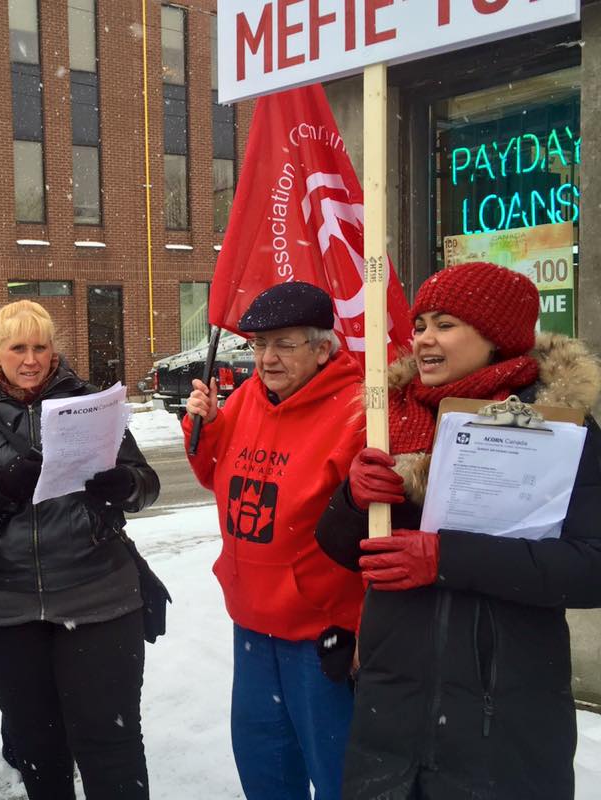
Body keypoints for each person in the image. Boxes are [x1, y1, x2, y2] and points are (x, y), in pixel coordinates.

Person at [316, 262, 601, 800]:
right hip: (390, 715)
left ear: (496, 337)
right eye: (420, 324)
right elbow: (339, 548)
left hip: (503, 723)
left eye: (444, 324)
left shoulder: (560, 429)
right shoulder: (389, 419)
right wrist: (352, 499)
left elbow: (591, 566)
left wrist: (447, 558)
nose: (423, 338)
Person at [0, 299, 159, 800]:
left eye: (40, 347)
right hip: (7, 608)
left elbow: (147, 485)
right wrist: (3, 483)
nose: (31, 360)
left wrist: (124, 484)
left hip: (98, 596)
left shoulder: (94, 403)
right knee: (39, 749)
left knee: (111, 742)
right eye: (17, 348)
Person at [183, 282, 366, 800]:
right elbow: (217, 478)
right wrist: (209, 429)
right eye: (259, 344)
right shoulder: (245, 400)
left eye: (284, 344)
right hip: (252, 625)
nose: (266, 358)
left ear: (323, 347)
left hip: (321, 633)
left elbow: (380, 531)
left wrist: (361, 624)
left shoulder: (357, 412)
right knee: (266, 770)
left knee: (338, 775)